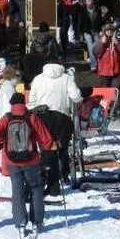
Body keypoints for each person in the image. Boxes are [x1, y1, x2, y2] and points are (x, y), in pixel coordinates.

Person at [0, 93, 55, 239]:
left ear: (11, 104)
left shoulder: (7, 118)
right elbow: (46, 139)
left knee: (17, 191)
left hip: (12, 161)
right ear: (24, 103)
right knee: (36, 189)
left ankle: (20, 222)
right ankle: (37, 221)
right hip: (31, 161)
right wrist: (49, 146)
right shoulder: (31, 117)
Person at [28, 63, 82, 192]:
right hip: (61, 116)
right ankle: (60, 176)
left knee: (45, 148)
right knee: (61, 148)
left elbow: (31, 100)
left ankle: (44, 179)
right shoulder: (66, 78)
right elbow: (76, 96)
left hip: (41, 116)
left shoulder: (38, 79)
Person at [94, 23, 120, 88]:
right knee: (104, 93)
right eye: (107, 30)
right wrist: (102, 44)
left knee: (115, 93)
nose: (110, 32)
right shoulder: (100, 40)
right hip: (104, 72)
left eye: (112, 30)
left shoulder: (118, 40)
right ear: (104, 32)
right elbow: (96, 53)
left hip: (116, 72)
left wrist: (117, 44)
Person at [77, 0, 103, 71]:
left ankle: (99, 63)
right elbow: (80, 21)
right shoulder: (82, 9)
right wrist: (80, 33)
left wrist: (101, 30)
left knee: (97, 47)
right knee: (90, 47)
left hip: (96, 30)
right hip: (87, 30)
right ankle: (93, 65)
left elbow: (100, 21)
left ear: (93, 1)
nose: (87, 2)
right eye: (86, 0)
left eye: (88, 0)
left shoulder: (98, 9)